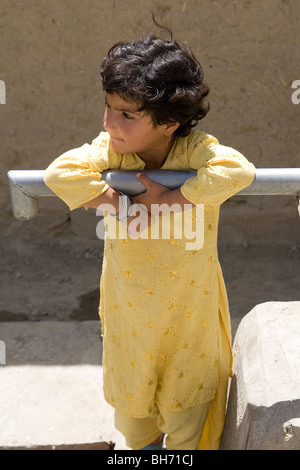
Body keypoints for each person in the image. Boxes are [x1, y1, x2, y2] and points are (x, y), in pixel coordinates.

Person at [44, 31, 255, 450]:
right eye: (107, 106)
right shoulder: (113, 153)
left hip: (188, 328)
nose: (108, 123)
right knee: (135, 429)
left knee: (186, 432)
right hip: (130, 324)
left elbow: (239, 170)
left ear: (169, 123)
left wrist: (170, 198)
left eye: (126, 114)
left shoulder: (194, 151)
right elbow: (57, 173)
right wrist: (118, 204)